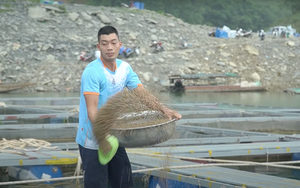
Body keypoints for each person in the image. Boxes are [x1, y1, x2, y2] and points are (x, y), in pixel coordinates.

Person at [76, 26, 181, 188]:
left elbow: (142, 94)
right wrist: (103, 138)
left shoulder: (125, 68)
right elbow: (92, 111)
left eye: (113, 42)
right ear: (98, 47)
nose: (109, 47)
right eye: (104, 44)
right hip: (93, 139)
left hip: (115, 136)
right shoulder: (92, 72)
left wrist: (164, 110)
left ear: (120, 44)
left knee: (125, 182)